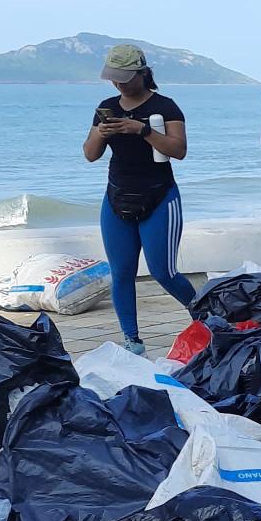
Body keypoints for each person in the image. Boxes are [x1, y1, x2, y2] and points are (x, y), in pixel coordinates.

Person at [82, 44, 198, 355]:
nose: (118, 84)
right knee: (121, 272)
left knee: (163, 272)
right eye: (113, 79)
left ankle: (208, 318)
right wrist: (102, 132)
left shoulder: (166, 106)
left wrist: (141, 129)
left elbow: (179, 150)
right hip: (117, 195)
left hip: (159, 195)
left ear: (142, 73)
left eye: (124, 78)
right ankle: (132, 340)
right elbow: (90, 154)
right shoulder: (107, 105)